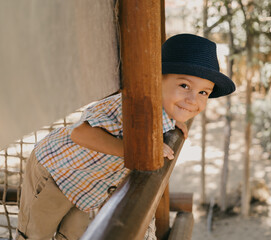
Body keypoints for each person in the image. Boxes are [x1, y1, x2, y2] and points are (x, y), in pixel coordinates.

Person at [16, 33, 236, 240]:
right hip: (55, 169)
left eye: (203, 92)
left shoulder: (164, 113)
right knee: (37, 232)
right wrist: (139, 152)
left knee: (75, 234)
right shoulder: (131, 106)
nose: (192, 99)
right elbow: (80, 133)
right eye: (184, 85)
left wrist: (174, 120)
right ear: (155, 80)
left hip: (84, 184)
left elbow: (170, 107)